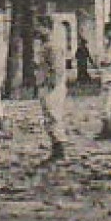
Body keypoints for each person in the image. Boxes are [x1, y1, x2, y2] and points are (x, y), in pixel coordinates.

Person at [36, 16, 70, 165]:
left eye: (40, 26)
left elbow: (58, 68)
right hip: (45, 84)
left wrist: (51, 83)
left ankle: (60, 151)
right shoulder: (45, 45)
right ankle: (55, 149)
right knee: (48, 118)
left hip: (53, 87)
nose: (37, 30)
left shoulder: (53, 46)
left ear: (47, 28)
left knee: (54, 116)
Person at [96, 20, 111, 141]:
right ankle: (110, 130)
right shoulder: (107, 44)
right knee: (107, 105)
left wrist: (103, 61)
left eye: (110, 32)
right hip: (106, 77)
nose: (108, 34)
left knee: (109, 105)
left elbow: (107, 60)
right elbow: (100, 60)